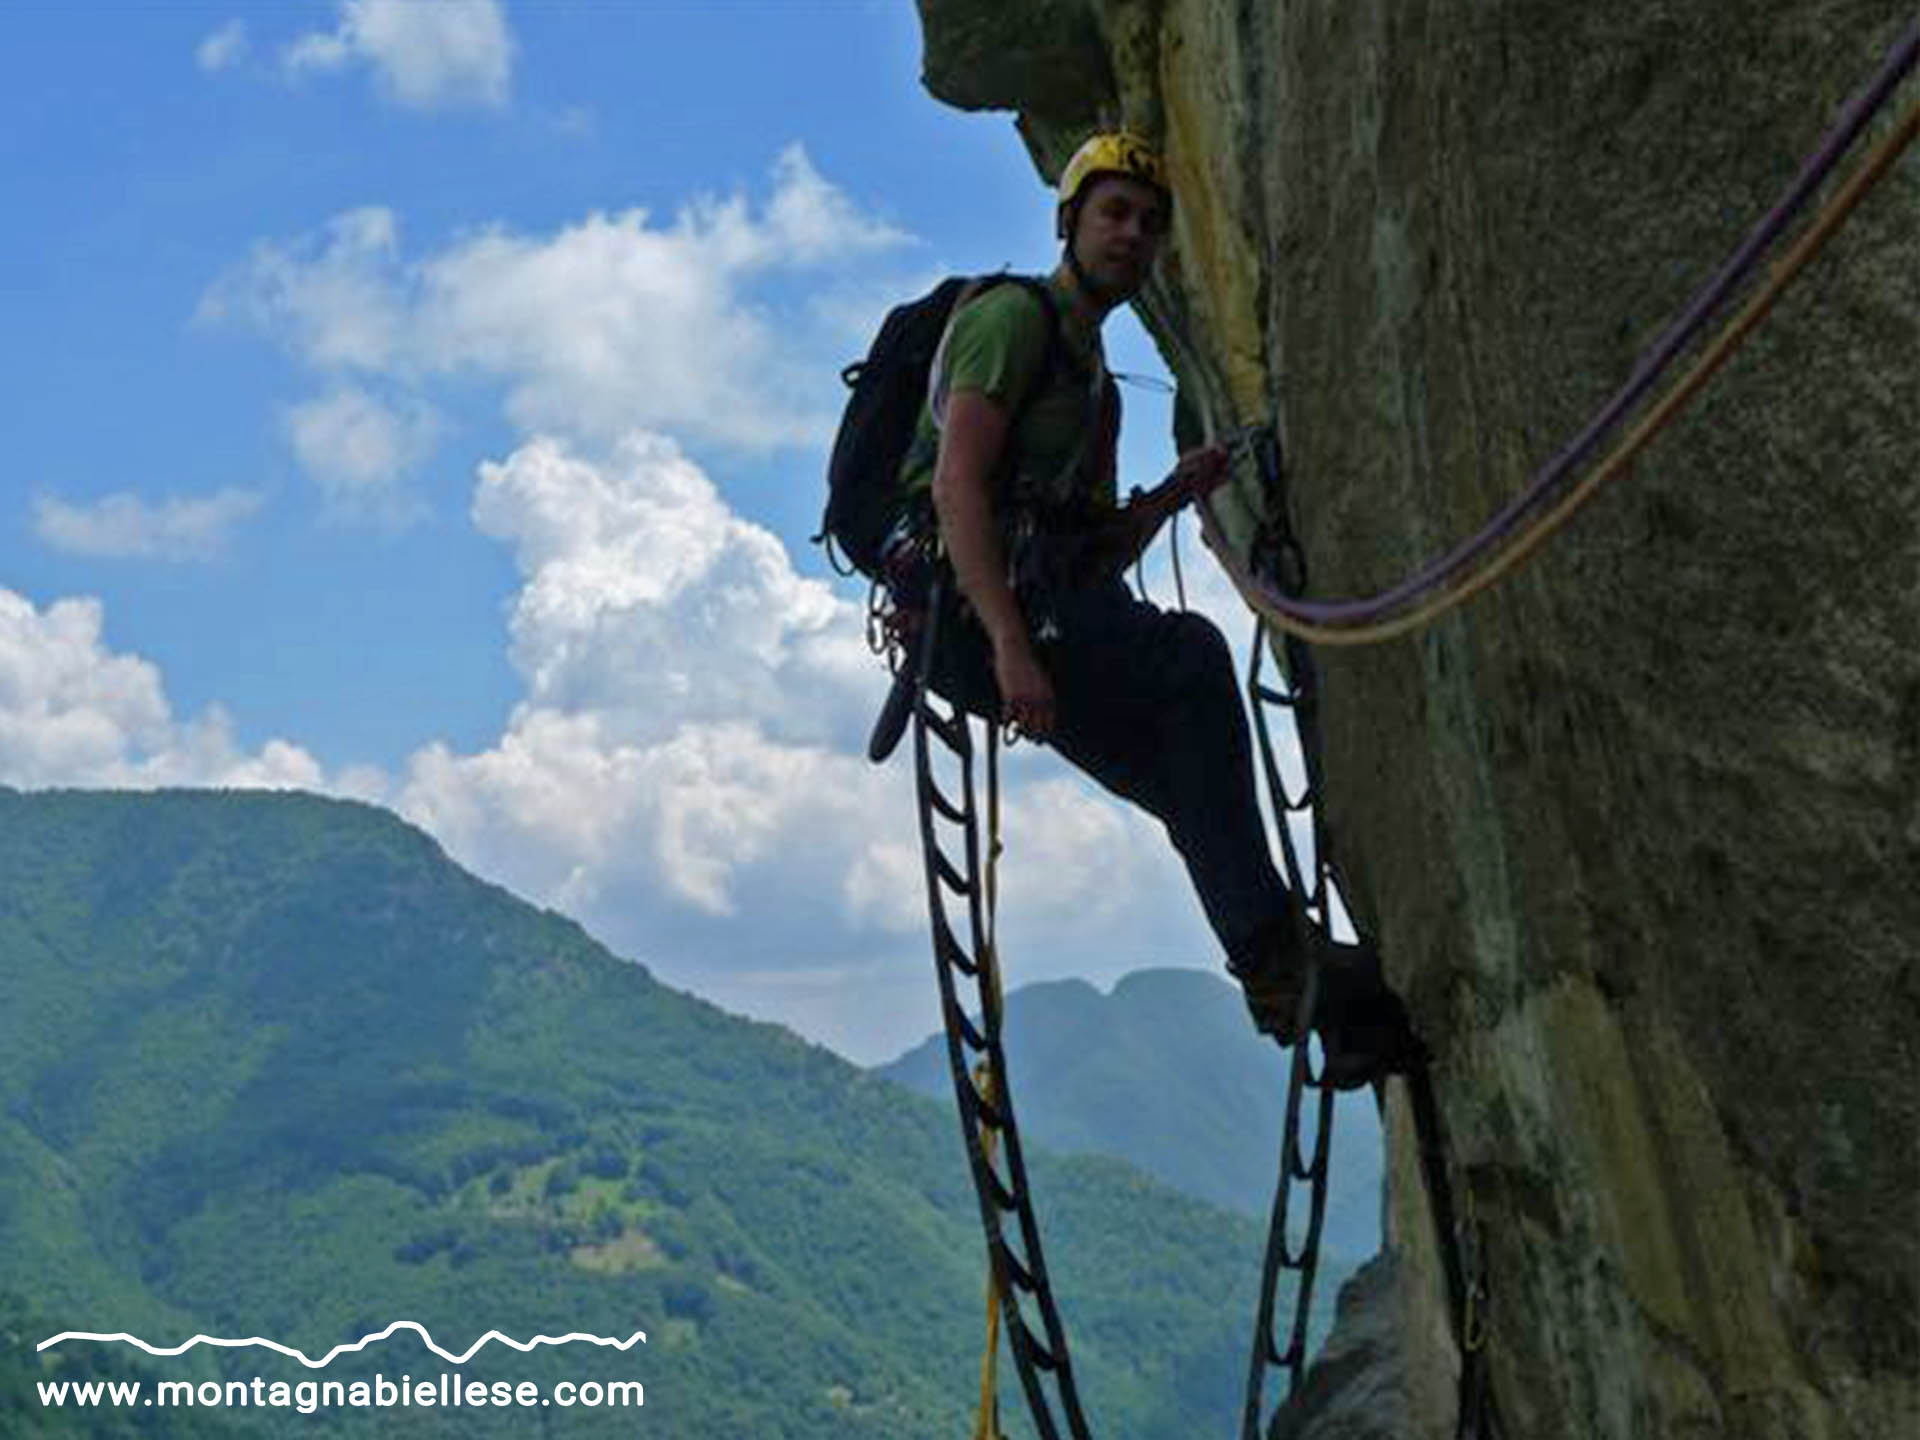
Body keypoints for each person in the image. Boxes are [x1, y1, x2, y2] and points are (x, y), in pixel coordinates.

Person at [889, 132, 1411, 1086]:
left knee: (1187, 782)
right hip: (983, 620)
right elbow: (955, 489)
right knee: (1192, 661)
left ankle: (1319, 996)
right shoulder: (1013, 322)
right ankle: (1278, 964)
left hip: (1040, 614)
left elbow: (1093, 549)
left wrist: (1175, 494)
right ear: (1069, 223)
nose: (1131, 236)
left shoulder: (1093, 384)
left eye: (1149, 223)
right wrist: (1009, 646)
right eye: (1113, 213)